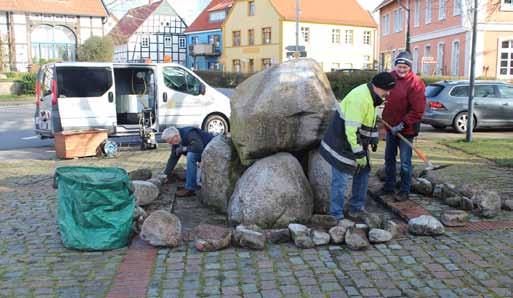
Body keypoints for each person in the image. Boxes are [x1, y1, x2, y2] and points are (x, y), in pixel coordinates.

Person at [320, 72, 396, 221]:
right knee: (340, 179)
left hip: (355, 142)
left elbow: (367, 121)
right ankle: (336, 215)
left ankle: (356, 208)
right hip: (341, 143)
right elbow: (351, 130)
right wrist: (359, 153)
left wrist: (371, 141)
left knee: (364, 171)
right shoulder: (360, 99)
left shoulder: (372, 96)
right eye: (386, 90)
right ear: (377, 86)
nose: (388, 93)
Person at [382, 51, 426, 201]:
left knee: (405, 161)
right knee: (389, 158)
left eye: (404, 67)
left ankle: (404, 190)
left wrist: (402, 124)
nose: (401, 70)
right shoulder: (390, 77)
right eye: (399, 67)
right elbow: (383, 96)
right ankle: (389, 186)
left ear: (410, 67)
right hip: (390, 126)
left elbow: (418, 110)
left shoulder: (416, 83)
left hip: (406, 129)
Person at [162, 126, 214, 197]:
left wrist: (184, 148)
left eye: (171, 141)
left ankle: (190, 188)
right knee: (190, 154)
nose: (171, 144)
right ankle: (190, 184)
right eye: (169, 143)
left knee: (191, 156)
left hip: (211, 151)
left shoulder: (189, 133)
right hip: (203, 152)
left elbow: (198, 147)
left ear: (176, 136)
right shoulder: (176, 141)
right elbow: (173, 158)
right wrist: (165, 174)